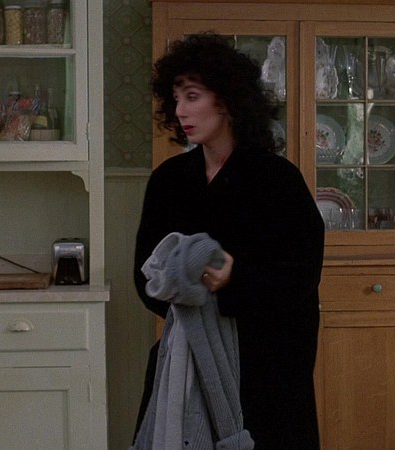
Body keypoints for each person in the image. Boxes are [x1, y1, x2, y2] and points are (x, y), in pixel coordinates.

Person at [133, 33, 325, 449]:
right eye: (176, 99)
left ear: (226, 100)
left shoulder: (278, 180)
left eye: (192, 96)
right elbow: (143, 275)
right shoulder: (168, 181)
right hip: (186, 354)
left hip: (268, 364)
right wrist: (181, 287)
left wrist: (235, 279)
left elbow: (301, 275)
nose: (180, 110)